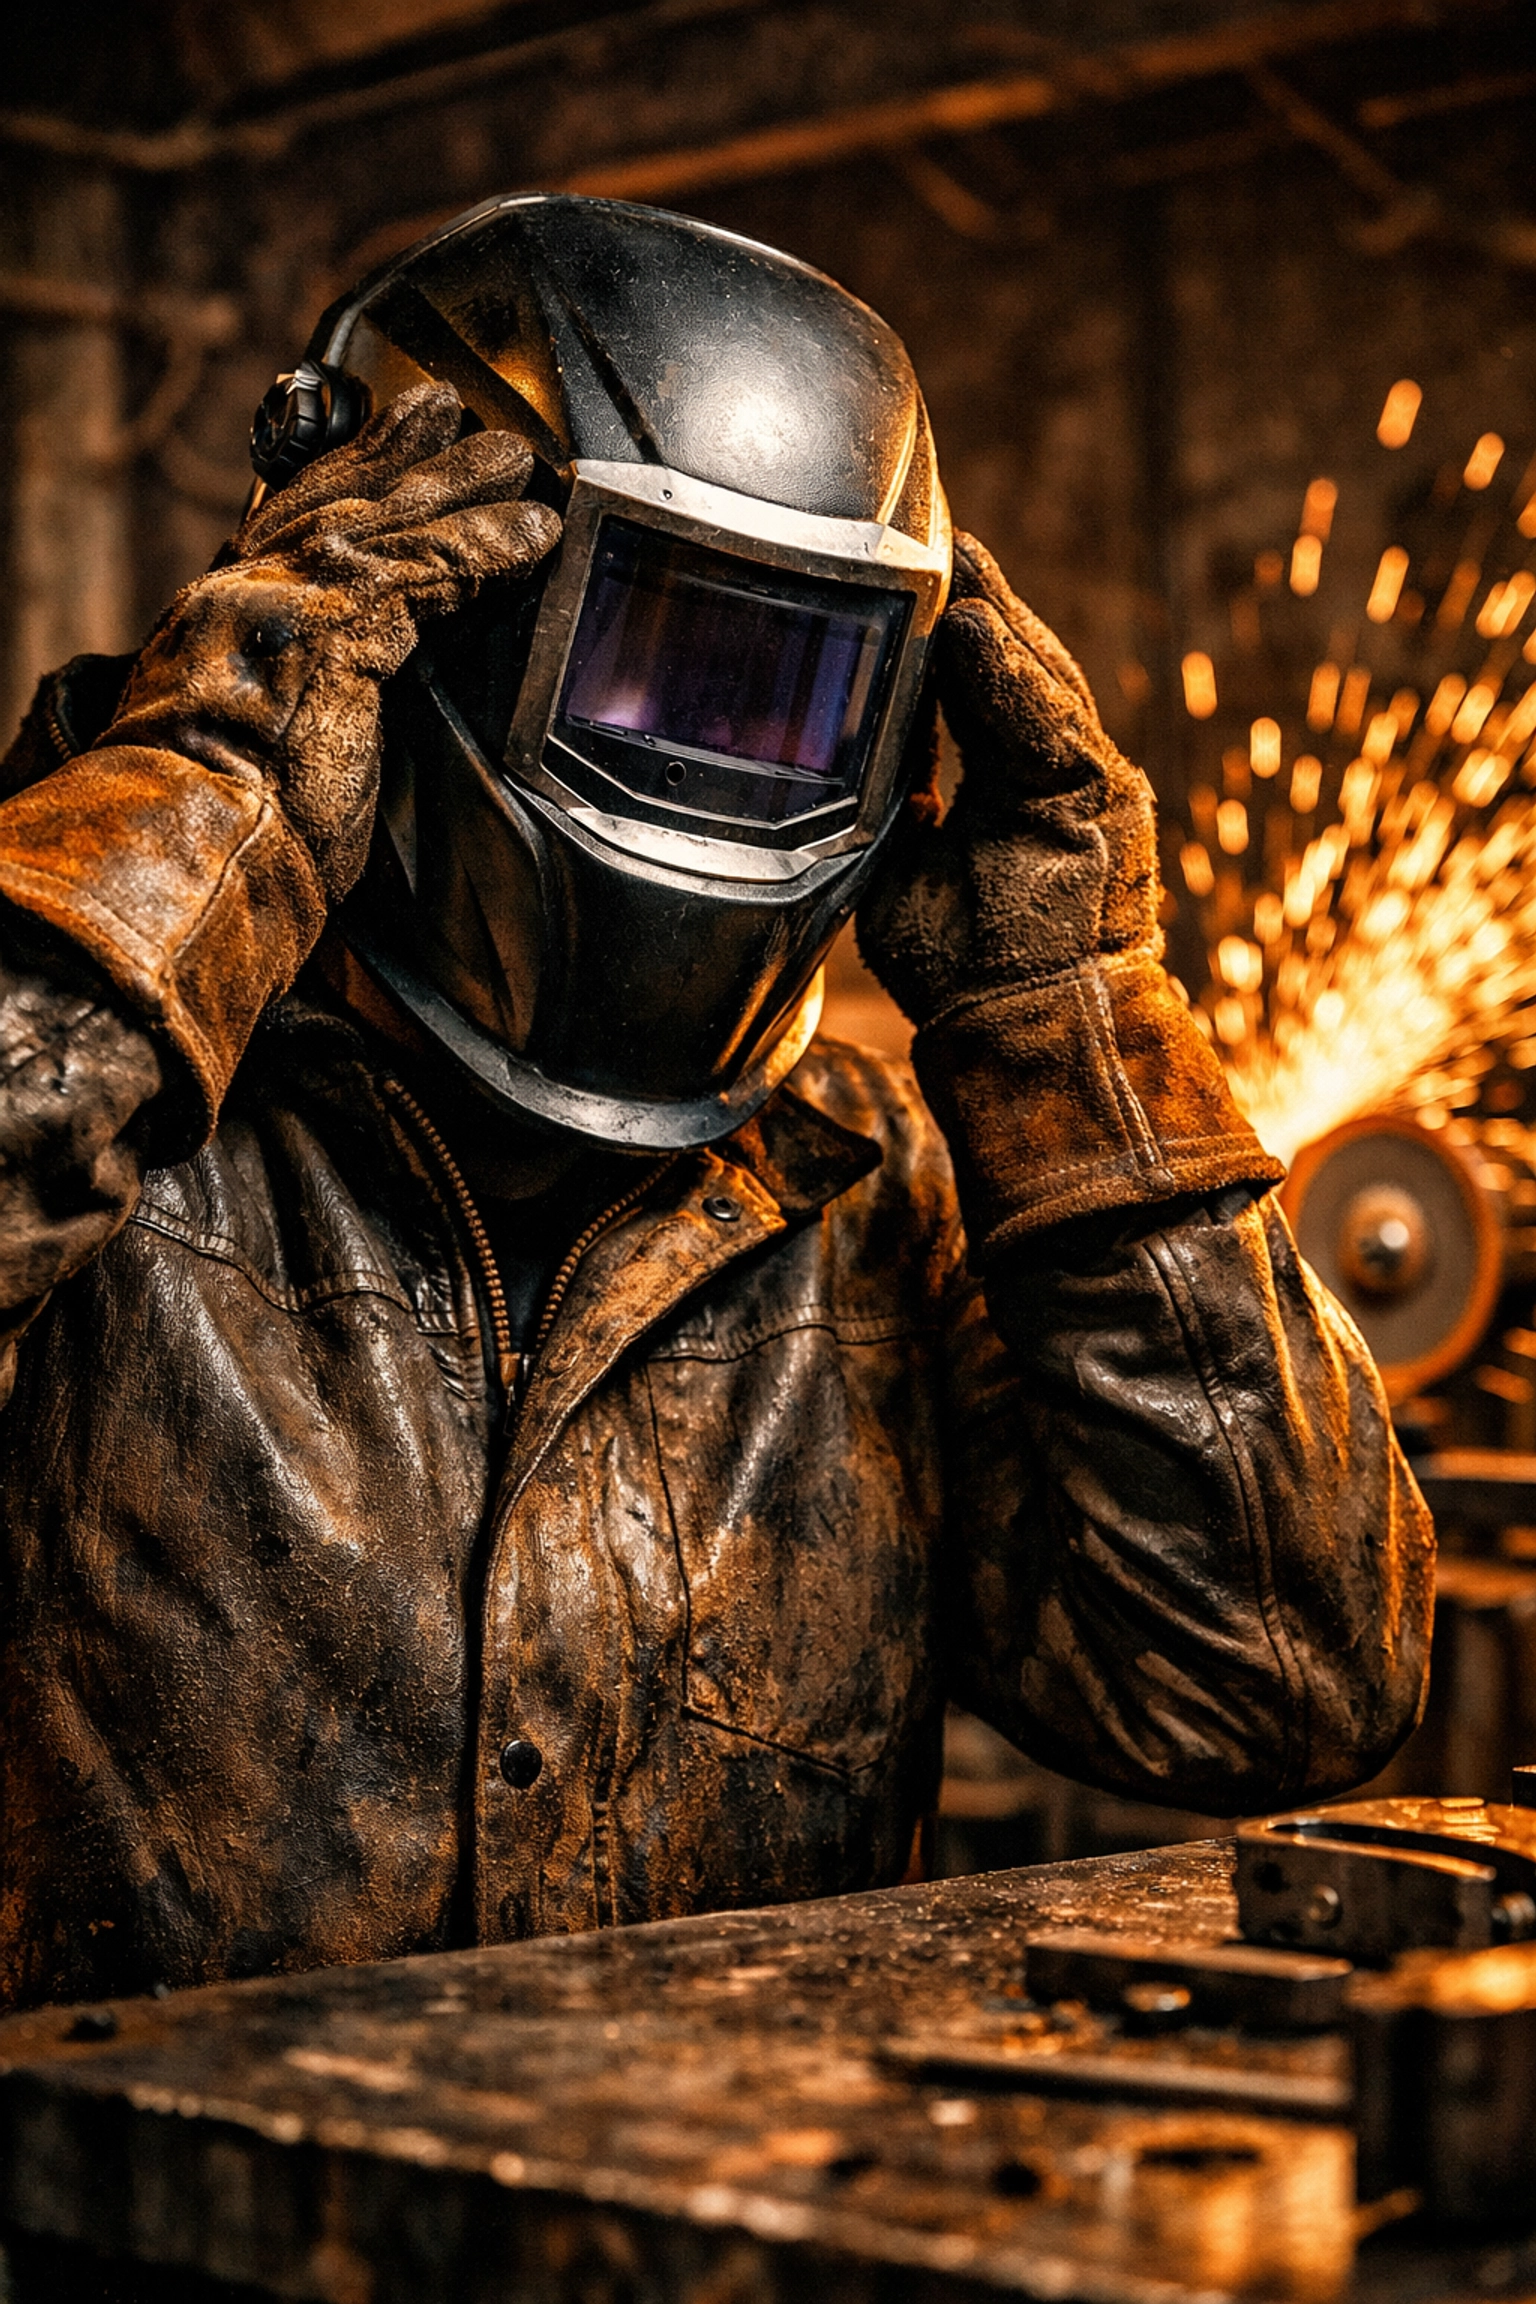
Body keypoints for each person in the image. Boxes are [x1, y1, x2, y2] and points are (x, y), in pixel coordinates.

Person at [0, 196, 1430, 2011]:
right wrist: (213, 797)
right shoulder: (116, 1128)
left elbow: (1281, 1683)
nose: (723, 759)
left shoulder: (877, 1181)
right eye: (664, 656)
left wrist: (1064, 1005)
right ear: (424, 616)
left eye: (792, 689)